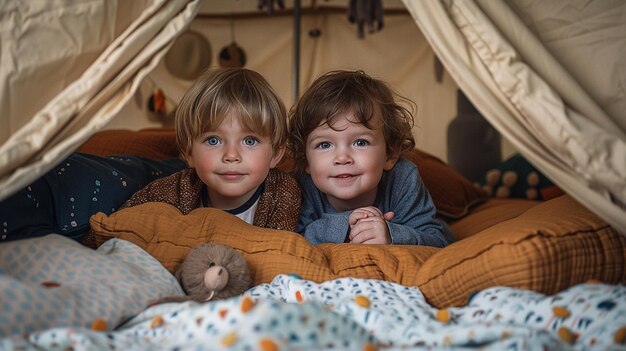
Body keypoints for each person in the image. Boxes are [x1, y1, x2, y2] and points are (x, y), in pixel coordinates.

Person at [82, 68, 301, 247]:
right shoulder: (172, 190)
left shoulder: (283, 192)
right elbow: (113, 229)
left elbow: (279, 251)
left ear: (276, 154)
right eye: (213, 140)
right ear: (188, 153)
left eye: (250, 141)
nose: (231, 156)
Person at [289, 70, 451, 247]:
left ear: (391, 153)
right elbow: (294, 240)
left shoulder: (402, 178)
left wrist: (391, 233)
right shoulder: (301, 188)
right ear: (305, 160)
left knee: (447, 229)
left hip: (427, 222)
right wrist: (346, 225)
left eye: (360, 142)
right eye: (324, 145)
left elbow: (437, 240)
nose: (342, 158)